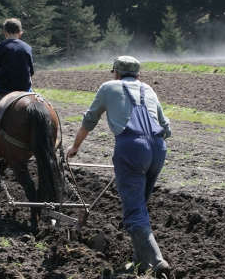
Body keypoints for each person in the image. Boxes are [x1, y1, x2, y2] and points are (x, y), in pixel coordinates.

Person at [66, 56, 172, 278]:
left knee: (134, 210)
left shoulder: (108, 87)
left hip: (131, 147)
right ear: (138, 75)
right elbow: (166, 126)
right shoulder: (149, 90)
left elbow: (89, 120)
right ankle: (140, 263)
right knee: (140, 205)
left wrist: (75, 146)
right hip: (158, 149)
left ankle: (157, 261)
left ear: (115, 73)